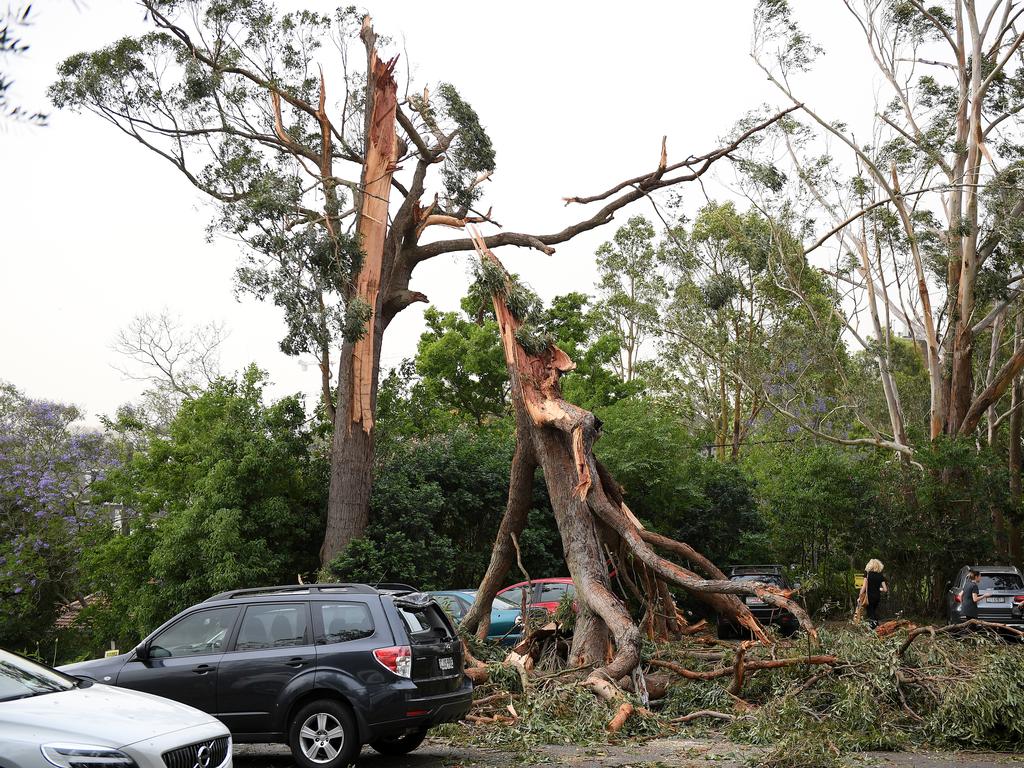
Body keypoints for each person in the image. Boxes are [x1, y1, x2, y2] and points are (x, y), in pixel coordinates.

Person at [860, 559, 888, 627]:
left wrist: (860, 595)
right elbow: (885, 589)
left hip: (869, 597)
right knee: (873, 612)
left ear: (870, 565)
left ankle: (874, 629)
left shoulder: (867, 574)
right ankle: (878, 627)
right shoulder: (880, 576)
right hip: (877, 597)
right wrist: (878, 588)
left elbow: (864, 587)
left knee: (870, 613)